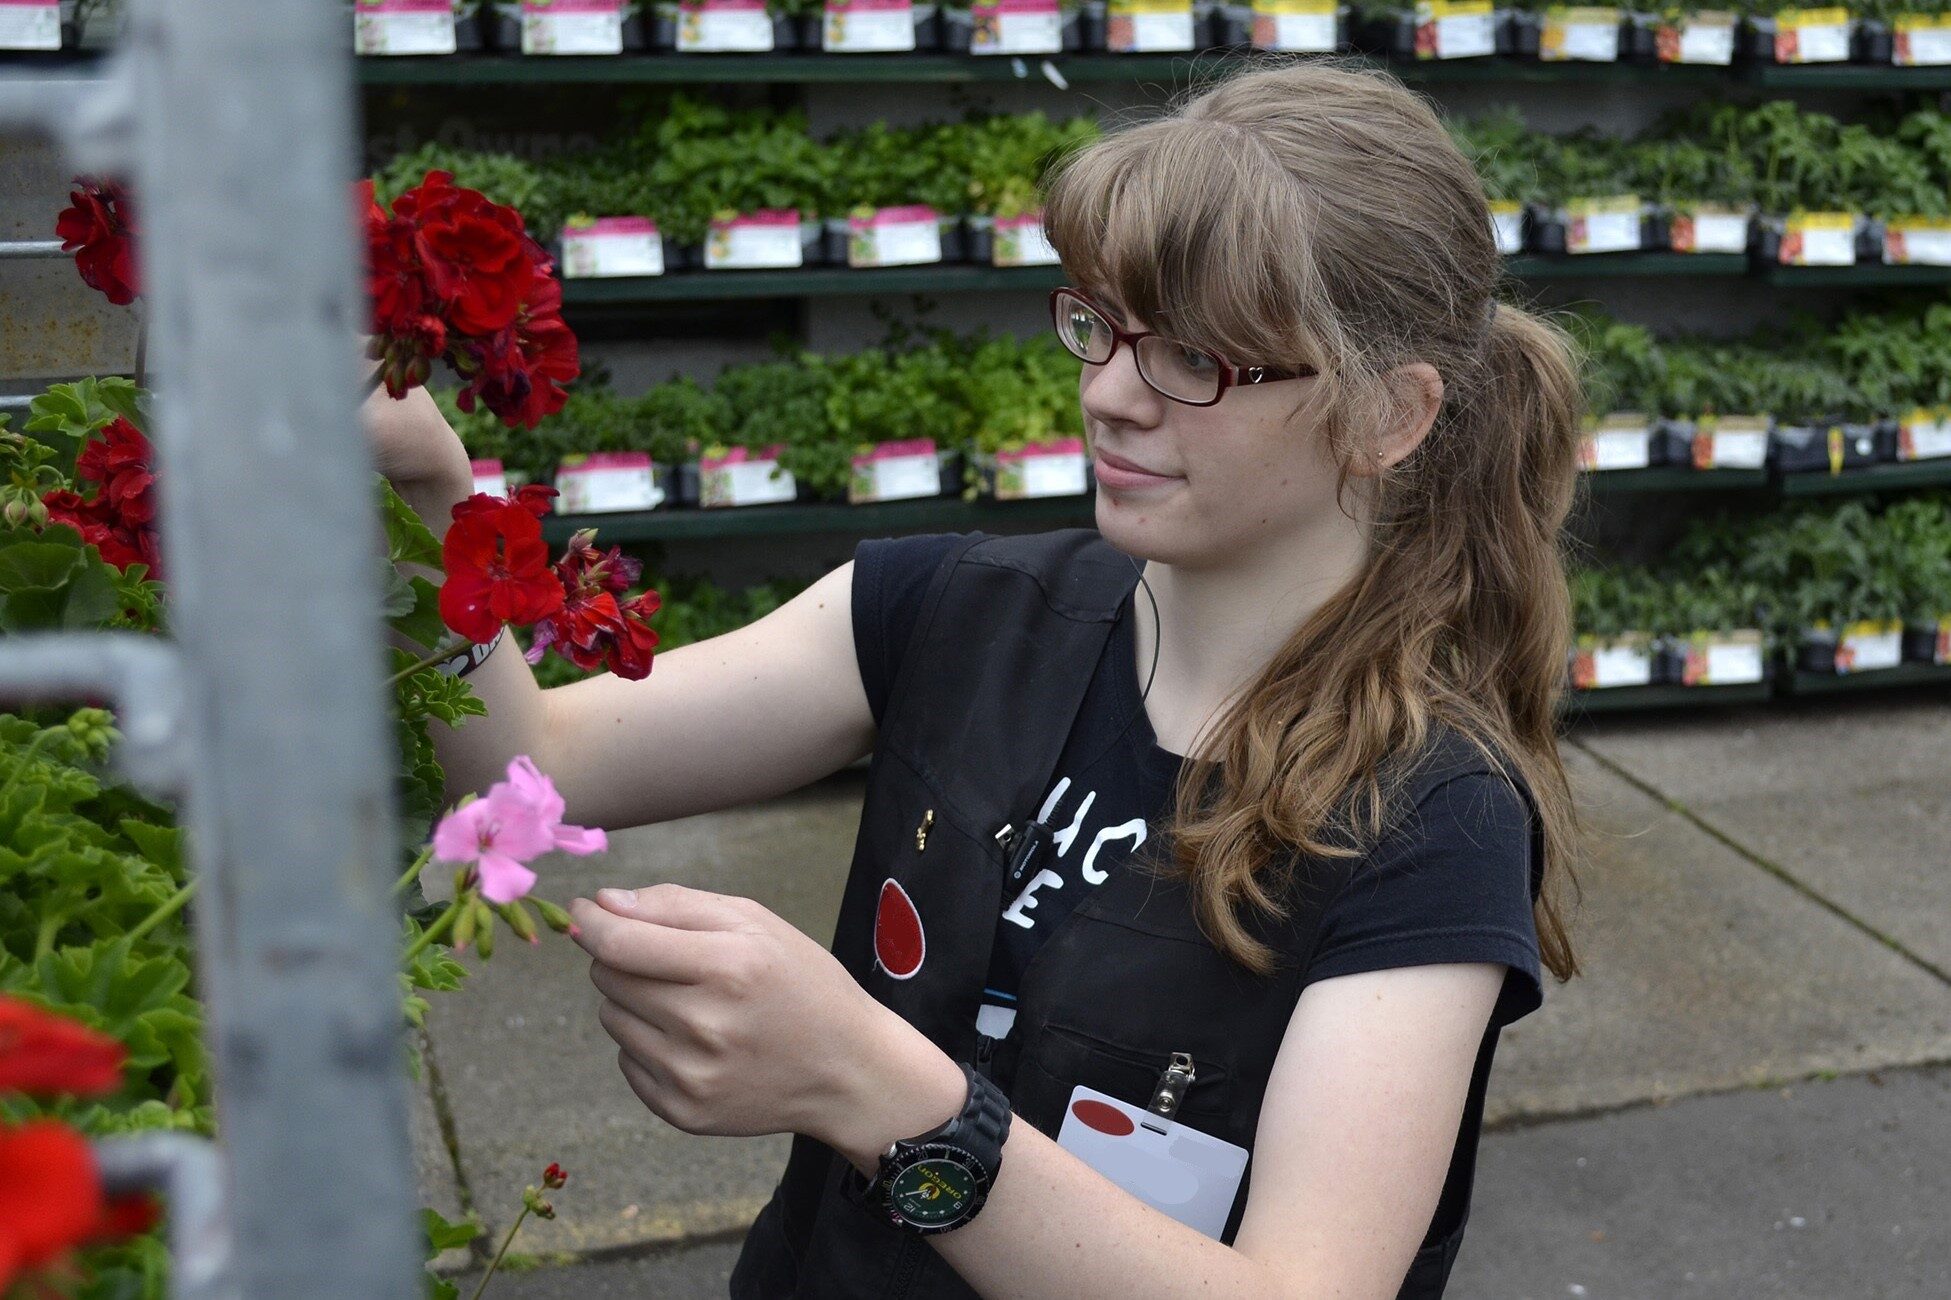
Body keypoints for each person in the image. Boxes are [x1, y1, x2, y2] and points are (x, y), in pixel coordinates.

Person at [369, 58, 1585, 1300]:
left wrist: (867, 1083)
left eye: (1196, 357)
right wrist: (425, 507)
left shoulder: (1431, 820)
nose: (1107, 393)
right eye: (1098, 326)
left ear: (1390, 415)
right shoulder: (949, 605)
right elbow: (542, 764)